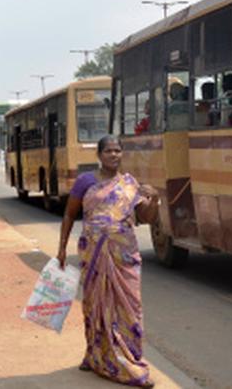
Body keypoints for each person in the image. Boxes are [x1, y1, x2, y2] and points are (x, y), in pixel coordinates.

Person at [57, 135, 160, 388]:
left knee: (130, 307)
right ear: (99, 155)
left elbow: (145, 218)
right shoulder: (85, 182)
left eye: (117, 151)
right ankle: (94, 355)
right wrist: (61, 249)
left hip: (124, 255)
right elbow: (70, 215)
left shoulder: (129, 184)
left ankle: (131, 358)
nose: (113, 155)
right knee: (94, 304)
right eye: (108, 151)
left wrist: (154, 199)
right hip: (93, 252)